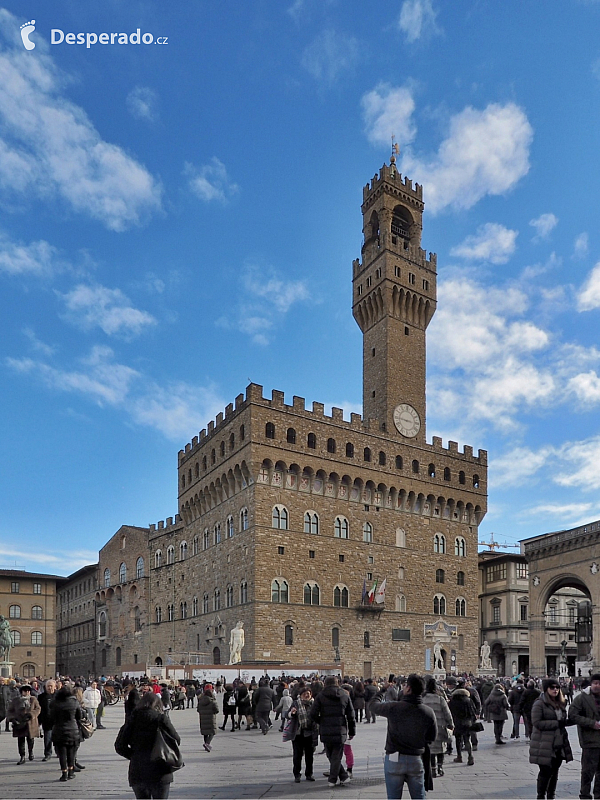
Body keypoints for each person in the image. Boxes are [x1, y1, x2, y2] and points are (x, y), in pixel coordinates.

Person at [372, 673, 437, 799]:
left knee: (393, 797)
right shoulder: (428, 712)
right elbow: (431, 737)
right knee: (419, 796)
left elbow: (373, 706)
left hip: (394, 757)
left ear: (408, 688)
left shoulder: (394, 707)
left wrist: (383, 690)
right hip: (415, 757)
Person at [117, 690, 181, 799]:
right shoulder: (161, 718)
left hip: (138, 769)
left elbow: (119, 746)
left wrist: (134, 755)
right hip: (160, 768)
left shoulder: (131, 719)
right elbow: (177, 739)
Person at [530, 678, 575, 800]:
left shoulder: (560, 702)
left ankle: (551, 796)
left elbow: (562, 721)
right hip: (543, 743)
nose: (555, 690)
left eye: (557, 687)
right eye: (552, 687)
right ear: (546, 689)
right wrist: (557, 723)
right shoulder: (539, 703)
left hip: (558, 742)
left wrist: (570, 721)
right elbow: (536, 722)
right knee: (545, 771)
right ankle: (541, 796)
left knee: (554, 772)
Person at [309, 675, 356, 787]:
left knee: (331, 754)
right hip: (340, 728)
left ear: (325, 683)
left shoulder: (320, 696)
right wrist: (352, 730)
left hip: (325, 728)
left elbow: (312, 714)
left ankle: (333, 779)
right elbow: (351, 715)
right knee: (335, 755)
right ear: (337, 683)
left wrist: (321, 721)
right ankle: (342, 776)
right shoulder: (344, 695)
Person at [568, 671, 600, 800]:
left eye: (599, 683)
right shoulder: (582, 698)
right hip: (590, 740)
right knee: (587, 771)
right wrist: (591, 723)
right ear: (591, 684)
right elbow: (573, 715)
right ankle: (585, 794)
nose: (597, 686)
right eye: (595, 683)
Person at [50, 684, 85, 781]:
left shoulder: (55, 703)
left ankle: (64, 773)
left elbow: (51, 717)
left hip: (58, 730)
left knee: (62, 754)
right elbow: (79, 716)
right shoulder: (74, 702)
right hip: (72, 730)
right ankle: (71, 772)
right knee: (71, 752)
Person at [422, 677, 453, 777]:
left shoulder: (422, 699)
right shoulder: (440, 699)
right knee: (440, 748)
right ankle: (440, 767)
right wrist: (451, 724)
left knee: (430, 749)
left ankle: (433, 768)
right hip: (440, 726)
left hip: (427, 728)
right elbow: (447, 713)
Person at [288, 686, 318, 782]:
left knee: (310, 755)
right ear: (300, 695)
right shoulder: (296, 703)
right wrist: (292, 713)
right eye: (304, 694)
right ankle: (297, 774)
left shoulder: (314, 704)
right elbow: (286, 714)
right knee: (297, 755)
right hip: (298, 733)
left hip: (310, 733)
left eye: (308, 694)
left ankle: (309, 774)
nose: (306, 695)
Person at [7, 684, 41, 764]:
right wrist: (12, 718)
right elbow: (10, 711)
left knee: (30, 739)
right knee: (21, 740)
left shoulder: (33, 699)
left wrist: (31, 714)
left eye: (28, 691)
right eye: (25, 691)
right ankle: (22, 756)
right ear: (21, 692)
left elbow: (38, 709)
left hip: (30, 722)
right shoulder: (16, 700)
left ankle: (30, 752)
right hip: (20, 722)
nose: (27, 692)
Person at [448, 683, 477, 766]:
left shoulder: (452, 701)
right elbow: (473, 711)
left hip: (456, 722)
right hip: (467, 722)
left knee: (458, 740)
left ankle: (459, 756)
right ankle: (470, 756)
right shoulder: (468, 700)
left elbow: (449, 712)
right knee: (467, 739)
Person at [38, 679, 56, 761]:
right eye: (48, 686)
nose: (49, 687)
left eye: (51, 686)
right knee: (47, 738)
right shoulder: (41, 697)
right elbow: (39, 710)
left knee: (58, 738)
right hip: (46, 721)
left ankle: (59, 753)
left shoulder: (58, 696)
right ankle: (47, 754)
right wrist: (38, 722)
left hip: (57, 721)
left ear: (54, 687)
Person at [197, 684, 219, 751]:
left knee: (205, 732)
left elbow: (198, 709)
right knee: (212, 732)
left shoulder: (200, 700)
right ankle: (207, 743)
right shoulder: (212, 700)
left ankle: (206, 743)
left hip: (203, 718)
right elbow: (217, 710)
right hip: (211, 718)